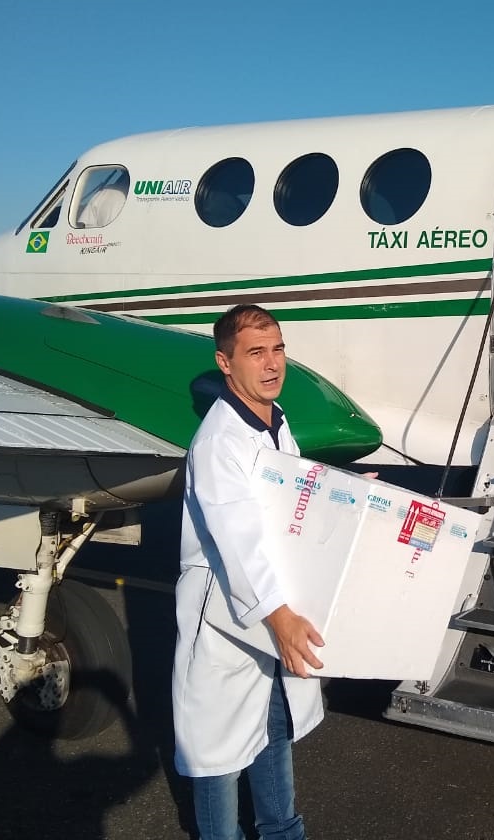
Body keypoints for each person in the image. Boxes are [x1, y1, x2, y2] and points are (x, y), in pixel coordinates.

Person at [172, 303, 325, 840]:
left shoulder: (275, 422)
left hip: (270, 597)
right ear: (225, 363)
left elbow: (291, 495)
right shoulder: (220, 442)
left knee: (274, 720)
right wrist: (280, 618)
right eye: (255, 352)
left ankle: (283, 831)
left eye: (278, 349)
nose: (272, 364)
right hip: (225, 614)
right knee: (217, 749)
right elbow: (236, 541)